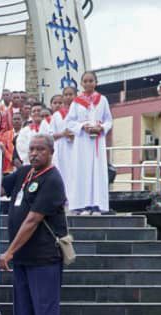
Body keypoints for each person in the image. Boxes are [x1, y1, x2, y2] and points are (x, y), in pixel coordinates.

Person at [0, 135, 67, 315]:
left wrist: (9, 252)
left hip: (44, 256)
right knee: (23, 306)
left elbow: (33, 220)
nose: (35, 154)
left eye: (40, 149)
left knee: (45, 306)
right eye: (32, 149)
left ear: (51, 152)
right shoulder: (24, 172)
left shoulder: (53, 179)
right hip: (22, 256)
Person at [64, 71, 113, 214]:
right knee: (82, 170)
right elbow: (69, 121)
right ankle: (83, 204)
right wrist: (82, 126)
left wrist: (101, 127)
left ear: (96, 82)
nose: (88, 83)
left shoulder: (102, 100)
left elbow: (109, 120)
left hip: (97, 139)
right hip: (82, 142)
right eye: (85, 81)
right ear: (81, 83)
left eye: (91, 81)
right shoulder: (76, 102)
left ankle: (97, 204)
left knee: (97, 171)